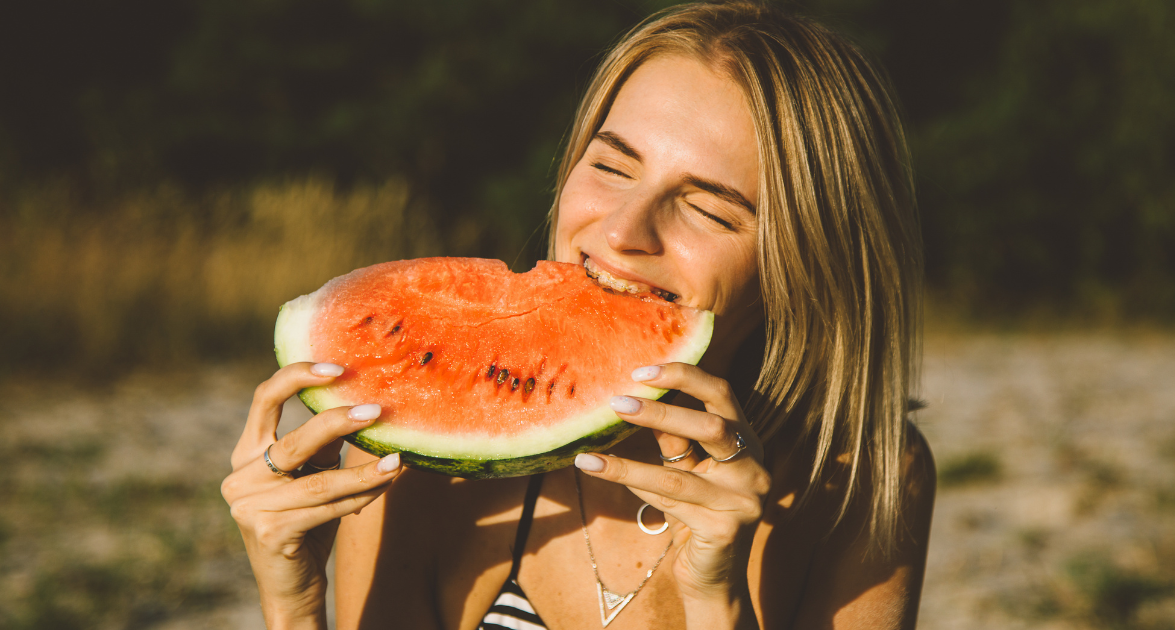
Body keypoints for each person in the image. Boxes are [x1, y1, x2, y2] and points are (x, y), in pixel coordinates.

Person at [221, 2, 935, 628]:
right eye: (612, 167)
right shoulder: (431, 464)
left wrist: (717, 602)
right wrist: (293, 605)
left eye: (708, 208)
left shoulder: (862, 479)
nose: (623, 230)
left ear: (809, 260)